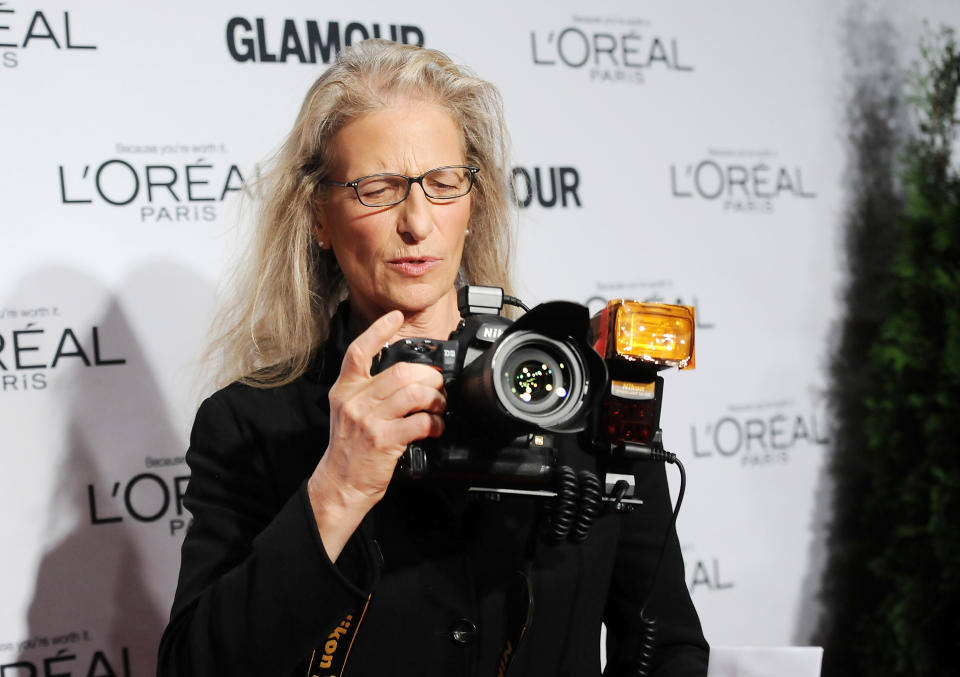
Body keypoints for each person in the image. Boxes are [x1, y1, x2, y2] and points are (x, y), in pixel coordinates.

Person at [156, 39, 709, 677]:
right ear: (319, 218)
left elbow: (669, 646)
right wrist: (339, 488)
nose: (417, 222)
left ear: (473, 206)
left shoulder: (577, 390)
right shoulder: (251, 424)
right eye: (377, 190)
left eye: (444, 184)